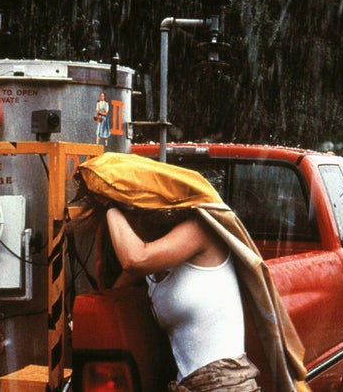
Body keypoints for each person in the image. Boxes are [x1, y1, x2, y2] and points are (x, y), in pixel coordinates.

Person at [69, 152, 309, 392]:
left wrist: (110, 205)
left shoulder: (199, 230)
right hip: (188, 385)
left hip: (226, 384)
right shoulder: (155, 265)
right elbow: (113, 299)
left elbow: (134, 258)